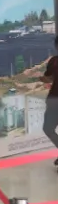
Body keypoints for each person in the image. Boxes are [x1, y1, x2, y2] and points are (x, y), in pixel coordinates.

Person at [41, 36, 58, 164]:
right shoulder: (54, 61)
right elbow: (49, 78)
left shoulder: (54, 61)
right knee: (48, 128)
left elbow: (48, 78)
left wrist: (40, 78)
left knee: (48, 128)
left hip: (54, 100)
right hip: (54, 100)